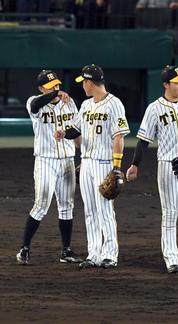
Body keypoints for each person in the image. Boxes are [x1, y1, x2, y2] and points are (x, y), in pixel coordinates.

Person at [126, 65, 178, 275]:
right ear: (166, 84)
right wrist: (135, 165)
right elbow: (143, 140)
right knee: (170, 214)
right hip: (167, 166)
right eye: (177, 82)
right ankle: (172, 260)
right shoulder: (154, 109)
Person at [54, 64, 130, 269]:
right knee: (90, 210)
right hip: (86, 163)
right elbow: (75, 130)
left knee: (104, 209)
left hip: (104, 163)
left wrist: (116, 167)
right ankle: (94, 253)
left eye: (83, 83)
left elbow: (119, 137)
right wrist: (64, 133)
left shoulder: (115, 104)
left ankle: (110, 254)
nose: (83, 87)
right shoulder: (86, 105)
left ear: (89, 82)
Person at [16, 70, 82, 265]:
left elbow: (77, 131)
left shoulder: (69, 103)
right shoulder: (33, 102)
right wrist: (54, 95)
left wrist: (84, 156)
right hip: (45, 161)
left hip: (67, 160)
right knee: (42, 205)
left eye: (57, 85)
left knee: (67, 206)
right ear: (40, 88)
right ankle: (24, 249)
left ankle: (66, 250)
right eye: (50, 85)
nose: (55, 87)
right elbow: (37, 105)